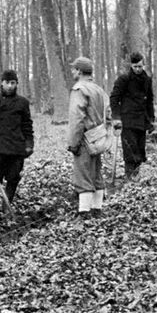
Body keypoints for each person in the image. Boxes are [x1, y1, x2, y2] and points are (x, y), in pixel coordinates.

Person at [0, 69, 34, 209]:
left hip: (16, 148)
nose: (10, 86)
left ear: (17, 84)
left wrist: (28, 144)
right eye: (7, 83)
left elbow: (27, 125)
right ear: (1, 83)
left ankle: (6, 208)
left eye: (13, 83)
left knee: (13, 179)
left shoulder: (23, 102)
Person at [67, 57, 110, 218]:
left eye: (73, 69)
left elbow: (76, 118)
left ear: (79, 71)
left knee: (83, 174)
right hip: (99, 137)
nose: (72, 72)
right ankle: (97, 209)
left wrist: (73, 142)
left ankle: (84, 213)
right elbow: (108, 114)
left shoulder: (79, 89)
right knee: (96, 173)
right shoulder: (98, 89)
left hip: (84, 138)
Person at [110, 52, 155, 179]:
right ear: (131, 66)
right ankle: (129, 177)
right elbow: (114, 98)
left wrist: (151, 118)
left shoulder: (147, 80)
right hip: (127, 120)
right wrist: (116, 117)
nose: (137, 69)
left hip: (141, 120)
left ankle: (136, 176)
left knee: (140, 149)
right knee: (130, 150)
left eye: (140, 66)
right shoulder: (124, 79)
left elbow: (150, 99)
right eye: (135, 67)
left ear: (143, 65)